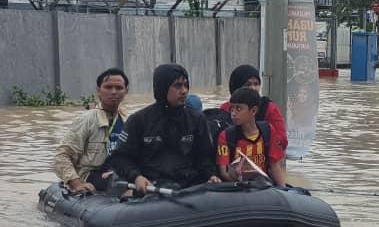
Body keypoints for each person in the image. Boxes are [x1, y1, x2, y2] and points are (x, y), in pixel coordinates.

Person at [109, 63, 219, 194]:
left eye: (186, 85)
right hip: (153, 186)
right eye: (178, 86)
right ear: (163, 87)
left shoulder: (197, 119)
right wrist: (136, 177)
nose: (184, 91)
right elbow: (120, 158)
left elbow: (205, 158)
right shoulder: (139, 120)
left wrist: (211, 175)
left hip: (189, 185)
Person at [53, 68, 129, 193]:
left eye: (119, 88)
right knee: (122, 184)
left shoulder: (127, 120)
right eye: (108, 87)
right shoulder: (87, 120)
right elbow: (62, 155)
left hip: (117, 171)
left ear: (126, 91)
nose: (114, 92)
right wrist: (76, 183)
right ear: (99, 91)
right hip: (91, 174)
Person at [216, 88, 286, 186]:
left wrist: (283, 189)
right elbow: (224, 173)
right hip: (237, 188)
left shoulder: (268, 130)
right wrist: (241, 181)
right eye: (232, 109)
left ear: (253, 111)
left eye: (239, 109)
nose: (233, 113)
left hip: (264, 186)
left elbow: (275, 166)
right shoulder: (226, 136)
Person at [218, 64, 288, 153]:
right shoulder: (226, 108)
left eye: (256, 84)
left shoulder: (268, 108)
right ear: (236, 87)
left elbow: (282, 141)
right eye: (248, 84)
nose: (253, 88)